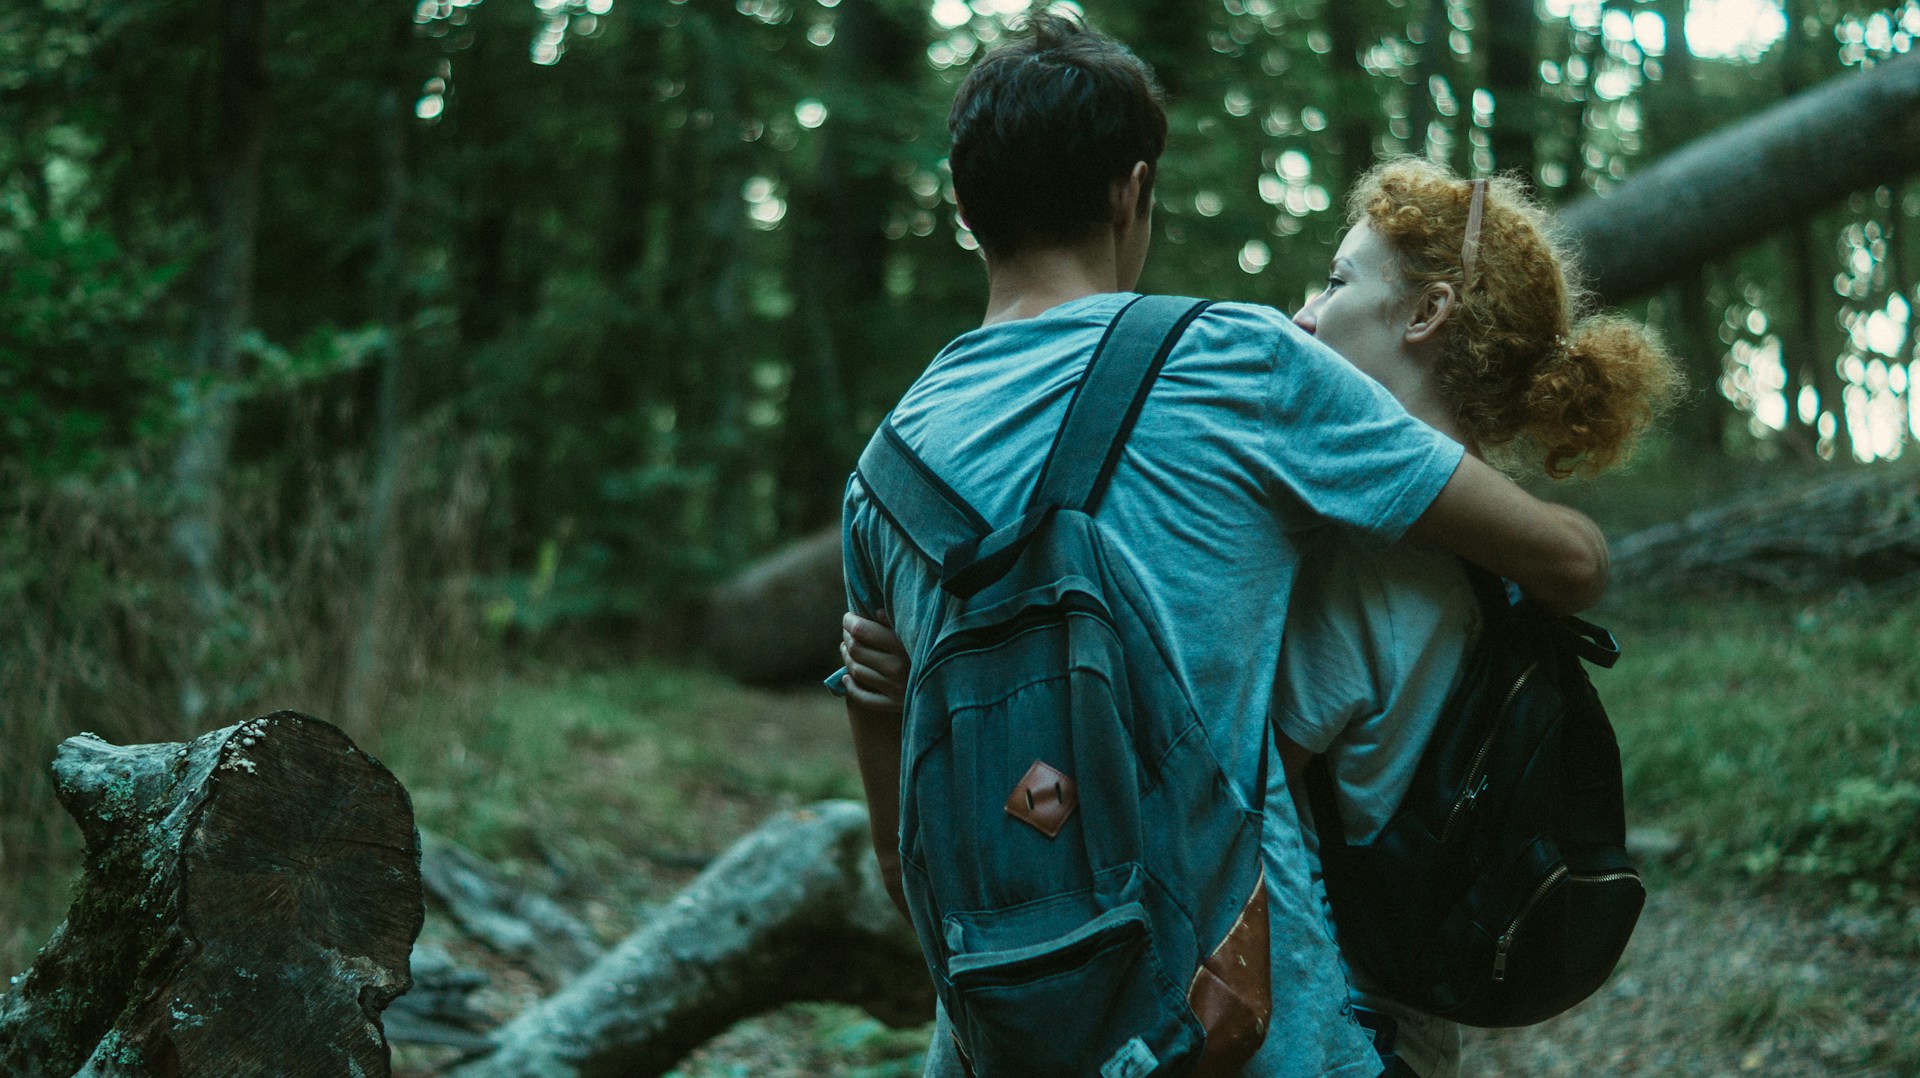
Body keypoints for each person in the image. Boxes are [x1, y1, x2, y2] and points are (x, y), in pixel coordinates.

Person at [832, 14, 1613, 1078]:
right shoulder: (1232, 363)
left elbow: (896, 854)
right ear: (1131, 191)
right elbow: (1565, 560)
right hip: (1245, 1032)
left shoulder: (881, 478)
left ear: (965, 211)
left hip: (1004, 1034)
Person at [1269, 158, 1680, 1077]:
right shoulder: (1486, 543)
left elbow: (1234, 784)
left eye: (1337, 283)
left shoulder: (1370, 565)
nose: (1304, 315)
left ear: (1425, 315)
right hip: (1402, 1030)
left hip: (1322, 1027)